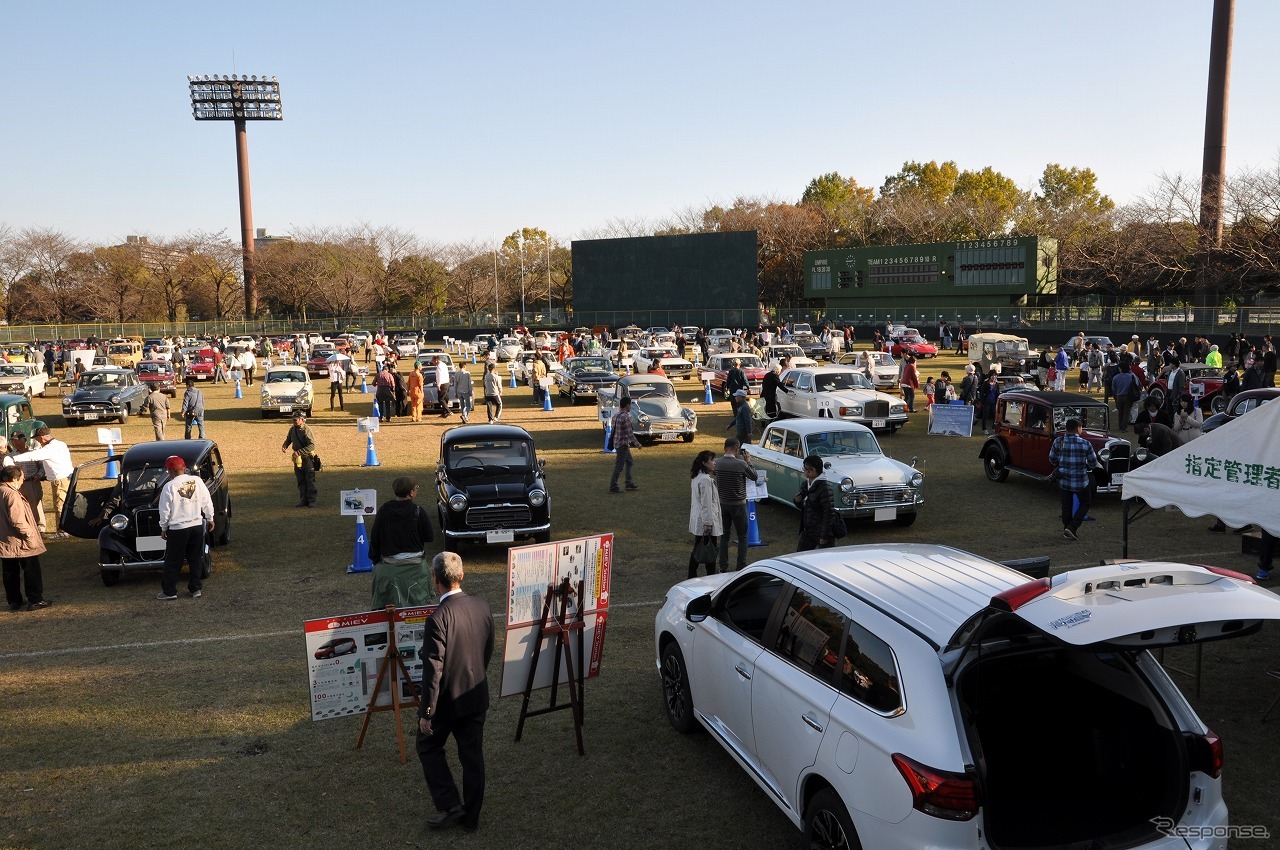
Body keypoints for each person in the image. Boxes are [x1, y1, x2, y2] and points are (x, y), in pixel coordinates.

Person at [416, 551, 494, 833]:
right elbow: (487, 650)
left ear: (435, 580)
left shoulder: (438, 619)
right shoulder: (482, 606)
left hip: (448, 703)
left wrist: (427, 713)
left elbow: (433, 672)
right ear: (462, 576)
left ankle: (450, 804)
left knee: (427, 745)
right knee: (472, 757)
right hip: (475, 695)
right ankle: (470, 819)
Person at [370, 477, 437, 608]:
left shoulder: (384, 510)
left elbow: (375, 538)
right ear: (411, 493)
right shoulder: (418, 511)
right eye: (416, 489)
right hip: (416, 570)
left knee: (388, 612)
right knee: (418, 608)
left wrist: (375, 560)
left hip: (388, 569)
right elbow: (430, 537)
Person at [155, 455, 215, 601]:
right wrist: (210, 517)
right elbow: (206, 500)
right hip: (195, 525)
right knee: (195, 558)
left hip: (178, 528)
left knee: (173, 560)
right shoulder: (197, 481)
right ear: (183, 468)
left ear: (169, 471)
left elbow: (165, 510)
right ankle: (195, 588)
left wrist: (163, 527)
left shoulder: (169, 487)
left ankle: (170, 591)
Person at [1, 465, 49, 611]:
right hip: (20, 541)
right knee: (31, 569)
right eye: (21, 478)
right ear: (13, 479)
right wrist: (29, 534)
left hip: (4, 542)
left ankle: (14, 601)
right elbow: (17, 520)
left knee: (9, 572)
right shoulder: (12, 494)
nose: (22, 481)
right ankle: (35, 600)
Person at [11, 426, 73, 540]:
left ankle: (62, 531)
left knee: (60, 504)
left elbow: (32, 456)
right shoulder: (60, 444)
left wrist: (14, 459)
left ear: (41, 437)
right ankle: (67, 528)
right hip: (66, 477)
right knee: (65, 504)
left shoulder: (49, 449)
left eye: (37, 439)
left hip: (59, 480)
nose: (37, 441)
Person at [1048, 418, 1098, 541]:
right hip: (1080, 481)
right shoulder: (1085, 443)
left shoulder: (1058, 442)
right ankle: (1072, 527)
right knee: (1085, 503)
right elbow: (1093, 462)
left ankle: (1067, 528)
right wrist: (1086, 466)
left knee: (1066, 506)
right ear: (1078, 429)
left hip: (1064, 481)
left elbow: (1052, 459)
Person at [715, 438, 759, 572]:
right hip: (738, 504)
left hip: (723, 503)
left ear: (724, 448)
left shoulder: (717, 463)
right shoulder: (741, 464)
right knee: (742, 536)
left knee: (724, 536)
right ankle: (741, 565)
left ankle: (723, 566)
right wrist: (748, 461)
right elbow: (754, 476)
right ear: (737, 449)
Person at [687, 451, 722, 578]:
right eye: (712, 460)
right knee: (709, 549)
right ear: (704, 463)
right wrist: (708, 523)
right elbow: (706, 503)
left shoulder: (696, 477)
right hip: (706, 521)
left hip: (699, 518)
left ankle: (693, 574)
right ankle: (709, 576)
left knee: (700, 547)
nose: (714, 463)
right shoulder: (706, 480)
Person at [794, 455, 834, 551]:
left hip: (820, 530)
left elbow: (828, 513)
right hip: (808, 529)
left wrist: (824, 536)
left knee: (826, 560)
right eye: (805, 468)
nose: (805, 471)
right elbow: (805, 507)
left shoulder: (825, 488)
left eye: (808, 469)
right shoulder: (805, 484)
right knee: (800, 557)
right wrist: (796, 501)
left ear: (815, 470)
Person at [7, 433, 45, 534]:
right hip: (18, 485)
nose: (15, 443)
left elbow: (42, 466)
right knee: (21, 506)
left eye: (17, 440)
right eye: (13, 441)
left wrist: (39, 475)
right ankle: (27, 528)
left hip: (32, 482)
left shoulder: (34, 453)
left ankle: (40, 528)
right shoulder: (11, 455)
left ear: (24, 440)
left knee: (36, 505)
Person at [281, 412, 318, 508]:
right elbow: (289, 439)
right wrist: (285, 445)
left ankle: (312, 501)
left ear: (302, 420)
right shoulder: (292, 429)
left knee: (310, 480)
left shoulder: (307, 430)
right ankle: (303, 500)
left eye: (296, 419)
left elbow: (312, 446)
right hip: (297, 460)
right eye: (293, 419)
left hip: (307, 459)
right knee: (301, 481)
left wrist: (300, 452)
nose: (294, 421)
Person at [608, 397, 641, 494]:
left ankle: (628, 482)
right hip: (623, 444)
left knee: (630, 462)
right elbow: (629, 433)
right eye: (630, 405)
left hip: (618, 443)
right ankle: (613, 486)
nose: (631, 406)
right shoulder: (625, 417)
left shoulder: (616, 415)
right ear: (627, 405)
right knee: (619, 466)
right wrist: (637, 444)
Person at [1110, 367, 1140, 432]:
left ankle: (1120, 425)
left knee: (1120, 412)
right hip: (1128, 396)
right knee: (1127, 412)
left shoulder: (1116, 377)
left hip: (1119, 396)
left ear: (1120, 369)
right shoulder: (1131, 377)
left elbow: (1113, 388)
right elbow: (1136, 385)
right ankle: (1124, 426)